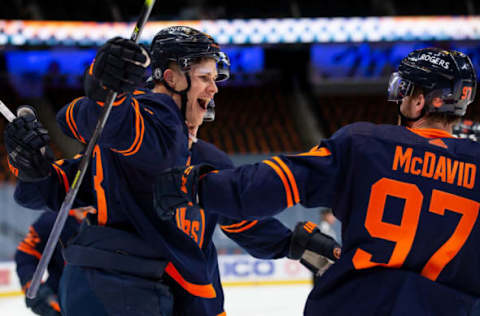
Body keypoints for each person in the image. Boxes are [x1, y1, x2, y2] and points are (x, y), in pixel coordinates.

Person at [5, 26, 340, 315]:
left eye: (215, 79)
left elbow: (246, 225)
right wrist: (105, 89)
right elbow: (98, 126)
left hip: (183, 300)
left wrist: (295, 242)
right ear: (172, 78)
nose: (215, 88)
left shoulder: (210, 161)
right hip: (129, 290)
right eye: (205, 78)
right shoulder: (153, 123)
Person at [154, 47, 480, 315]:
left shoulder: (365, 144)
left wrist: (194, 186)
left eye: (404, 91)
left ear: (419, 100)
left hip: (357, 305)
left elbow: (270, 184)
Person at [15, 207, 94, 316]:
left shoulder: (116, 214)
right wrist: (32, 285)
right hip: (61, 299)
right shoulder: (52, 220)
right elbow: (26, 253)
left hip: (108, 298)